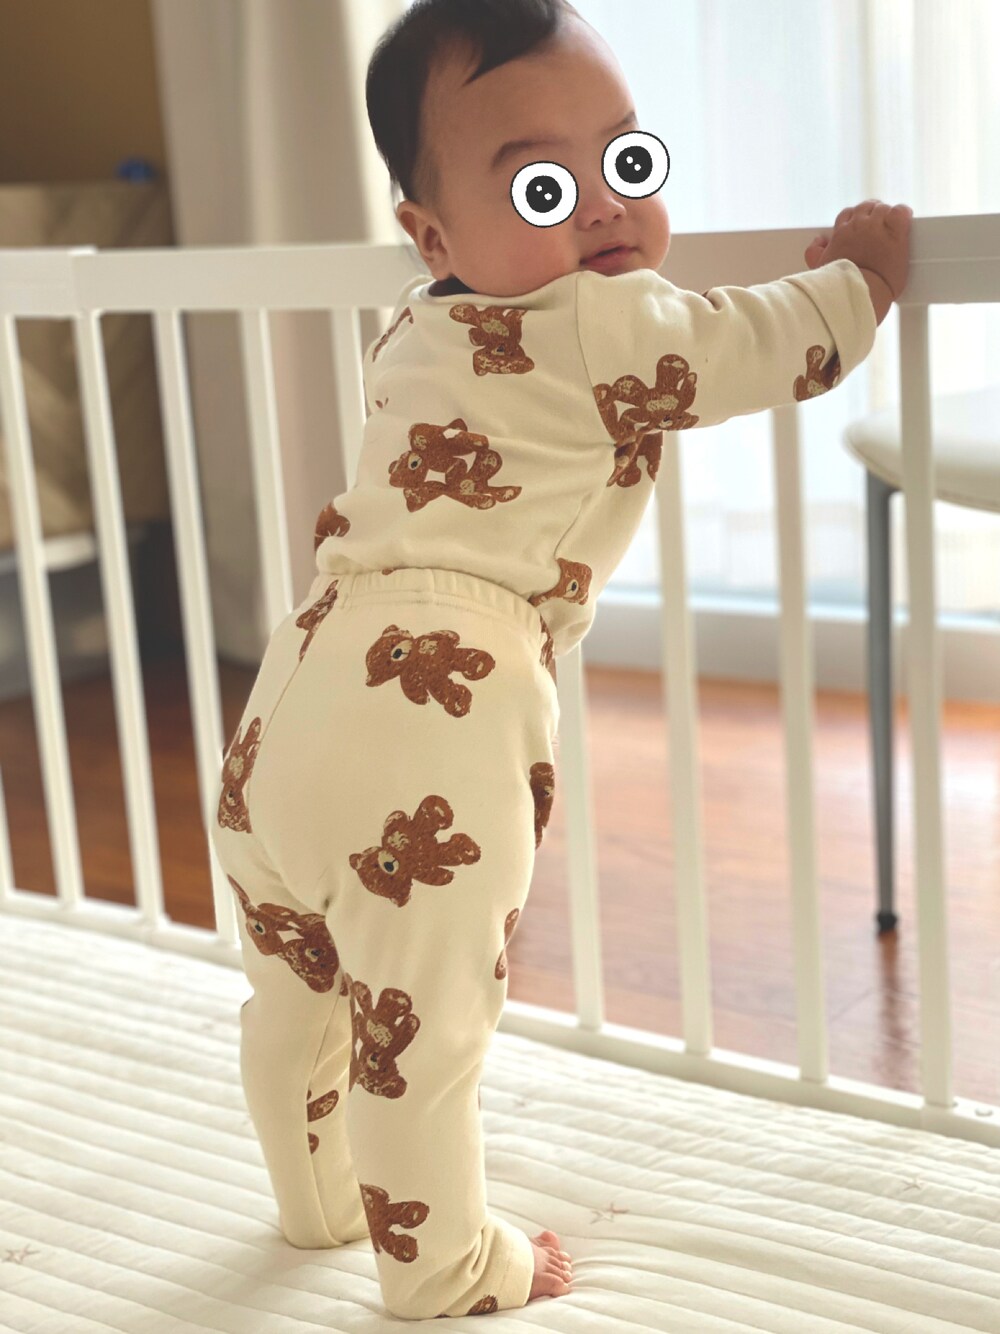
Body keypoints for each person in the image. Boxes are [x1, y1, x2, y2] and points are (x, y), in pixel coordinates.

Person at [211, 0, 912, 1320]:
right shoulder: (601, 320)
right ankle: (446, 1267)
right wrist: (858, 283)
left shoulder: (416, 329)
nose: (601, 205)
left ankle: (316, 1198)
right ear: (433, 235)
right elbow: (746, 346)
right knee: (422, 1026)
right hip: (436, 707)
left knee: (298, 988)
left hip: (294, 688)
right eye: (542, 184)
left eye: (626, 160)